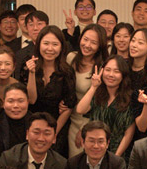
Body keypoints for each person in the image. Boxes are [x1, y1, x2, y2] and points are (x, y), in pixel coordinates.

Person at [22, 25, 77, 155]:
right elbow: (31, 100)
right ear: (38, 45)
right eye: (46, 43)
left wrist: (52, 133)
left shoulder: (67, 71)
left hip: (58, 127)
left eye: (55, 44)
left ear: (61, 47)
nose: (50, 49)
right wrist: (31, 73)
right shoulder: (28, 65)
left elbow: (68, 107)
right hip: (32, 126)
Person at [75, 55, 138, 157]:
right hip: (94, 149)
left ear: (123, 75)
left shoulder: (130, 98)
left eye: (116, 71)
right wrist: (93, 87)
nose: (111, 75)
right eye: (108, 70)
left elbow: (128, 134)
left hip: (119, 153)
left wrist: (116, 157)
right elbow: (80, 110)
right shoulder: (97, 93)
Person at [67, 24, 108, 157]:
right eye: (85, 39)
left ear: (100, 46)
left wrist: (85, 128)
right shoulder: (70, 58)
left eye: (93, 42)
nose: (87, 45)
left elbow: (100, 103)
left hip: (85, 121)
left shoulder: (101, 67)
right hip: (68, 117)